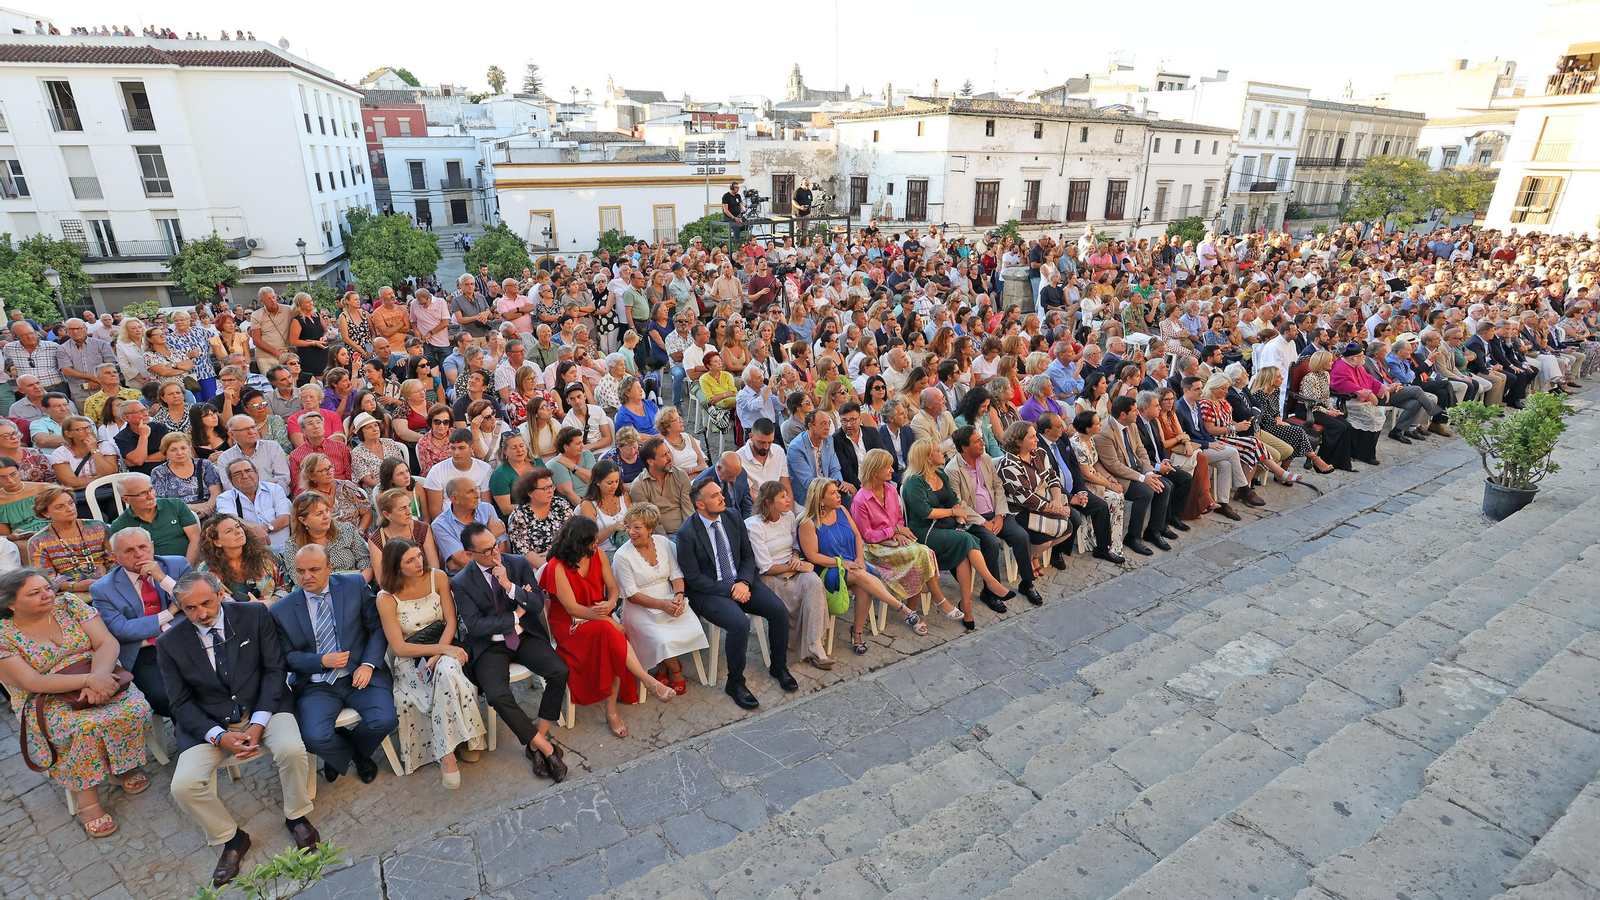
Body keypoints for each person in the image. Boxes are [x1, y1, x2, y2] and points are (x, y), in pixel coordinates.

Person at [157, 571, 319, 887]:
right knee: (184, 785)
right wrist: (219, 736)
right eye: (190, 609)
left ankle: (297, 816)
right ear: (179, 607)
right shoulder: (169, 643)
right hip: (209, 723)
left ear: (220, 594)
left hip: (265, 707)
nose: (201, 614)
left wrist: (257, 725)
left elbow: (275, 669)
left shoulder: (254, 614)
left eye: (206, 603)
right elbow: (180, 703)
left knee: (291, 748)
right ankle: (232, 838)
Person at [0, 569, 153, 839]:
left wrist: (100, 677)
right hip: (45, 698)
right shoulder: (4, 636)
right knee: (86, 725)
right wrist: (88, 681)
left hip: (99, 673)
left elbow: (106, 641)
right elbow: (32, 681)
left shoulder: (69, 604)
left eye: (46, 587)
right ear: (11, 603)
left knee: (135, 707)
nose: (47, 594)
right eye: (34, 593)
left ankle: (123, 764)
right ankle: (88, 802)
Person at [450, 524, 569, 783]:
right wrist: (515, 614)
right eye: (488, 550)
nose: (496, 552)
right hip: (490, 646)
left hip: (524, 637)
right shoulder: (461, 582)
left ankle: (536, 739)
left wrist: (509, 586)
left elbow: (537, 603)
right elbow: (476, 625)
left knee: (559, 670)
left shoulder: (516, 563)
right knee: (496, 694)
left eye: (496, 544)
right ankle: (546, 748)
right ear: (470, 554)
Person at [271, 545, 398, 786]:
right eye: (300, 571)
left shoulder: (354, 587)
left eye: (314, 569)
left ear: (329, 568)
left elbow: (377, 628)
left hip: (359, 673)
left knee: (385, 720)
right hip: (316, 685)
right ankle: (355, 755)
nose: (306, 576)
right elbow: (286, 657)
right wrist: (319, 661)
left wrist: (369, 664)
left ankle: (348, 753)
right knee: (314, 738)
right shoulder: (281, 610)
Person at [539, 516, 675, 738]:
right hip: (571, 626)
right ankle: (642, 684)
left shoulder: (598, 555)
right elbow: (572, 608)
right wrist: (607, 619)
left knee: (610, 638)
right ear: (577, 543)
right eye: (591, 541)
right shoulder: (556, 567)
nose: (597, 544)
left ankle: (616, 708)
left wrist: (611, 604)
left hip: (600, 616)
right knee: (609, 631)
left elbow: (613, 588)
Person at [372, 537, 487, 787]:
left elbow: (451, 621)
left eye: (419, 555)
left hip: (443, 645)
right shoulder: (385, 598)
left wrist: (440, 652)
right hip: (411, 658)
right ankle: (461, 745)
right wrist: (441, 650)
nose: (418, 562)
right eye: (410, 560)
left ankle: (447, 756)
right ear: (396, 566)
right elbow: (400, 647)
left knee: (446, 669)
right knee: (445, 674)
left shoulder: (438, 577)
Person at [676, 478, 795, 710]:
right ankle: (735, 683)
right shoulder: (686, 533)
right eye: (714, 496)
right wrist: (731, 589)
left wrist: (742, 582)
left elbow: (748, 556)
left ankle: (778, 666)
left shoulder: (732, 517)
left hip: (741, 581)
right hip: (709, 592)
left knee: (779, 610)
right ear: (700, 505)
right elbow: (694, 578)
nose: (722, 497)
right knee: (740, 624)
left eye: (720, 493)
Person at [798, 476, 929, 655]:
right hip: (829, 570)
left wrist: (859, 557)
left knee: (864, 587)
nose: (839, 496)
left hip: (853, 564)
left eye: (837, 491)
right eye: (833, 493)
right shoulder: (808, 523)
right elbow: (812, 556)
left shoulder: (842, 510)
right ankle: (901, 607)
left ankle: (857, 632)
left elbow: (858, 536)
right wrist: (841, 562)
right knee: (861, 575)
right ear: (820, 499)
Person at [87, 527, 187, 720]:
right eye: (129, 551)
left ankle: (200, 733)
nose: (139, 554)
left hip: (185, 639)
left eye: (142, 547)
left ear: (152, 547)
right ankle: (198, 735)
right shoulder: (102, 589)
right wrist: (170, 612)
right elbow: (121, 630)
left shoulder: (176, 565)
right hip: (144, 653)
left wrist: (162, 578)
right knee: (165, 696)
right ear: (116, 558)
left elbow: (193, 600)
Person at [612, 503, 711, 691]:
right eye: (628, 527)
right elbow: (631, 595)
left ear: (650, 528)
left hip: (670, 599)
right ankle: (676, 669)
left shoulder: (664, 543)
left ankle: (664, 667)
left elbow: (676, 574)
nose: (631, 532)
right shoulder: (622, 556)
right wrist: (662, 605)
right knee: (662, 639)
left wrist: (679, 595)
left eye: (637, 527)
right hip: (639, 607)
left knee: (691, 628)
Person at [948, 423, 1049, 604]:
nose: (983, 443)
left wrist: (1000, 515)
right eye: (977, 441)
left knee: (1020, 536)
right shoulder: (952, 470)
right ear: (965, 448)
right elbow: (958, 503)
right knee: (992, 543)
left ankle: (1027, 583)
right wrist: (982, 522)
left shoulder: (985, 459)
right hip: (974, 520)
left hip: (996, 513)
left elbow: (998, 487)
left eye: (981, 439)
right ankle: (991, 591)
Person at [1092, 396, 1177, 557]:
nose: (1138, 413)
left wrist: (1149, 472)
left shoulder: (1131, 425)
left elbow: (1141, 451)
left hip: (1135, 470)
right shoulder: (1105, 433)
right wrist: (1143, 478)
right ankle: (1133, 536)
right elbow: (1114, 465)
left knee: (1165, 486)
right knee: (1145, 492)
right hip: (1117, 476)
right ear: (1123, 414)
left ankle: (1154, 530)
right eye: (1134, 410)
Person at [28, 487, 114, 593]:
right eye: (60, 507)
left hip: (109, 586)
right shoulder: (38, 542)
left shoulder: (98, 527)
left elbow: (115, 560)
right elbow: (46, 578)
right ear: (46, 513)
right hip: (69, 595)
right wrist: (74, 587)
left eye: (71, 503)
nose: (70, 509)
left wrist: (107, 582)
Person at [196, 514, 292, 604]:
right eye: (228, 531)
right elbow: (212, 603)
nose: (238, 531)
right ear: (217, 542)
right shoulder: (206, 571)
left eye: (238, 527)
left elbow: (287, 586)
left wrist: (267, 603)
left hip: (272, 612)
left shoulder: (266, 554)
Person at [107, 474, 200, 561]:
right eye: (143, 493)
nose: (151, 496)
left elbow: (195, 539)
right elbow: (125, 559)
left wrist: (186, 568)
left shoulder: (175, 505)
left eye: (151, 489)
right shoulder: (120, 526)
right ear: (126, 499)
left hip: (186, 565)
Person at [284, 492, 372, 580]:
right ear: (303, 520)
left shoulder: (346, 530)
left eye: (327, 510)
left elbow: (366, 563)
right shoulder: (293, 545)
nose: (326, 516)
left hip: (355, 584)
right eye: (319, 514)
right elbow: (298, 579)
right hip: (317, 591)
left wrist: (357, 585)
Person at [216, 458, 293, 554]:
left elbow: (284, 519)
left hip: (284, 551)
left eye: (248, 471)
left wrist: (264, 529)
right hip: (251, 554)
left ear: (257, 473)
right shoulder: (225, 498)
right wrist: (254, 528)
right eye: (237, 473)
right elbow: (229, 519)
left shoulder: (275, 489)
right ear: (230, 480)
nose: (244, 476)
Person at [628, 437, 694, 537]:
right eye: (664, 455)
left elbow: (688, 508)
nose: (670, 458)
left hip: (687, 530)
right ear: (651, 462)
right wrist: (667, 543)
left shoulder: (680, 475)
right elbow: (650, 522)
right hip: (661, 536)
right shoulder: (638, 487)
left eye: (669, 453)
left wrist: (689, 536)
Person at [152, 433, 224, 519]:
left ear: (190, 449)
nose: (179, 453)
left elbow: (216, 492)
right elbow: (161, 502)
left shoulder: (204, 464)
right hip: (177, 514)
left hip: (208, 511)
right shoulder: (159, 472)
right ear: (166, 453)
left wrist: (207, 509)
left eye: (183, 448)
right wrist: (192, 507)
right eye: (173, 450)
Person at [216, 414, 293, 494]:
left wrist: (256, 490)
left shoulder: (273, 447)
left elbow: (283, 478)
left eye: (253, 427)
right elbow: (228, 486)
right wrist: (255, 491)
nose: (252, 432)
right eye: (245, 429)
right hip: (243, 502)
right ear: (231, 434)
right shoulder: (226, 457)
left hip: (274, 497)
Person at [297, 452, 370, 533]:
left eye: (330, 467)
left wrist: (360, 530)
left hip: (358, 537)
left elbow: (367, 513)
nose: (329, 472)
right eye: (323, 470)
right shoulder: (307, 499)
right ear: (311, 476)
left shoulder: (346, 486)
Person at [578, 460, 631, 555]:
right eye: (609, 483)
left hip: (629, 546)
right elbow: (591, 540)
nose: (614, 486)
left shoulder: (624, 497)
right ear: (597, 482)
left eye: (617, 481)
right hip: (605, 552)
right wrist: (612, 528)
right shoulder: (588, 505)